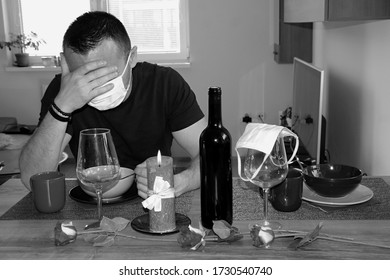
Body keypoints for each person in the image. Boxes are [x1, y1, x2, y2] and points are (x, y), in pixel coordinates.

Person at [19, 11, 207, 198]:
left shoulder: (164, 84)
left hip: (156, 199)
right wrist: (62, 107)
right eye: (86, 77)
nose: (97, 87)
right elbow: (31, 180)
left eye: (106, 75)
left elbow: (214, 156)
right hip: (92, 200)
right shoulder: (64, 90)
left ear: (131, 58)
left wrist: (184, 181)